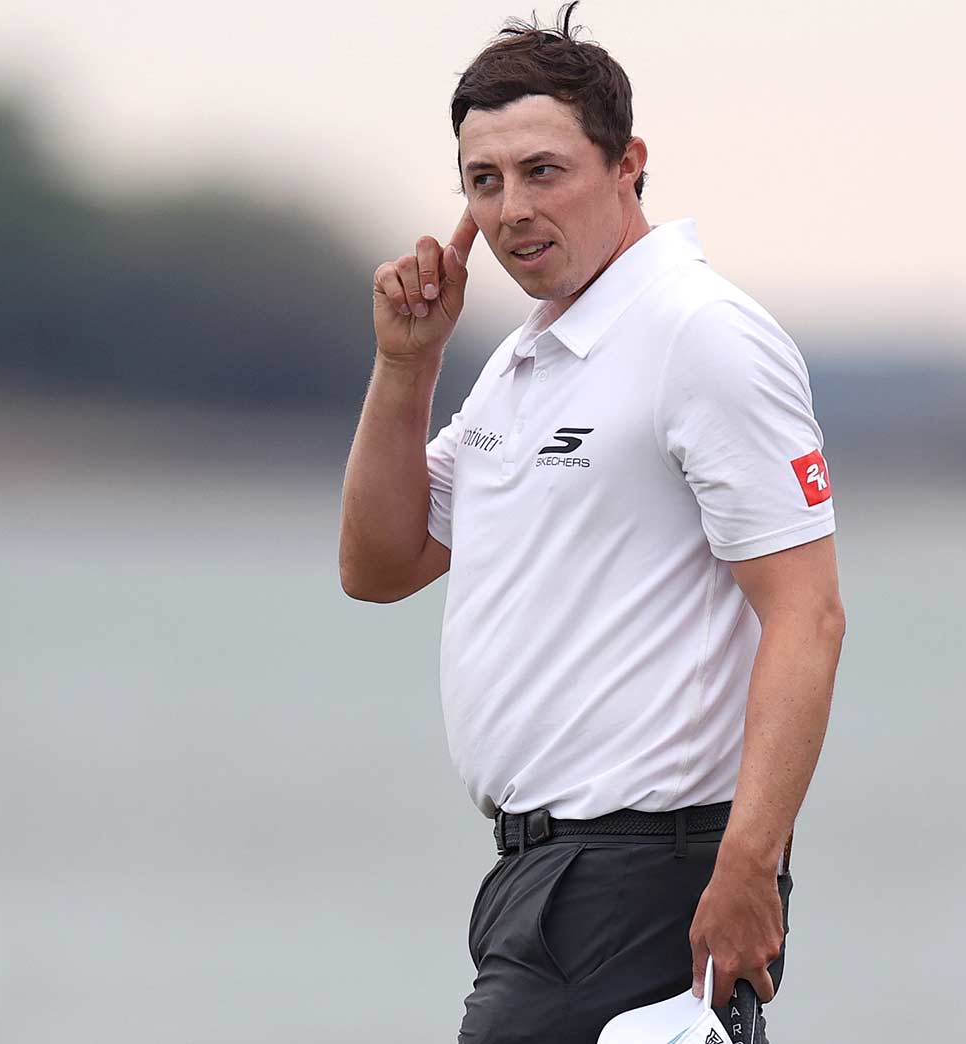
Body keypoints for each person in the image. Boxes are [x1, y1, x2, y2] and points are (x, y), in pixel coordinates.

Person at [337, 5, 845, 1041]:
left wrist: (748, 867)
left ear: (628, 165)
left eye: (542, 170)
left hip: (644, 873)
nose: (512, 207)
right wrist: (406, 366)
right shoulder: (528, 358)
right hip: (537, 876)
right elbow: (380, 564)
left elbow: (808, 616)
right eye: (483, 182)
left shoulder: (697, 334)